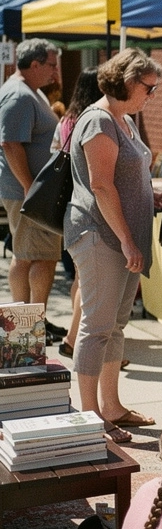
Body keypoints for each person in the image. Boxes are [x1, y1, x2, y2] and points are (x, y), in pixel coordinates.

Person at [65, 49, 162, 443]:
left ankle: (111, 406)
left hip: (122, 238)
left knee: (115, 327)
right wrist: (126, 239)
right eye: (149, 88)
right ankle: (90, 416)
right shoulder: (98, 121)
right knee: (96, 327)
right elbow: (101, 185)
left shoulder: (122, 120)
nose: (152, 96)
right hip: (101, 237)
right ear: (126, 81)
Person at [0, 38, 66, 341]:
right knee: (36, 257)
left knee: (30, 254)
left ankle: (30, 322)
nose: (55, 72)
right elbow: (10, 144)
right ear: (35, 64)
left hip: (31, 191)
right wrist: (31, 188)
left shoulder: (31, 92)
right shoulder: (19, 94)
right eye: (52, 65)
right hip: (27, 191)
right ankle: (27, 325)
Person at [53, 67, 102, 361]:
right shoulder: (91, 122)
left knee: (80, 277)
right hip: (86, 203)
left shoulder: (67, 120)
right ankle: (74, 337)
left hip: (69, 203)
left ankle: (75, 333)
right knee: (87, 280)